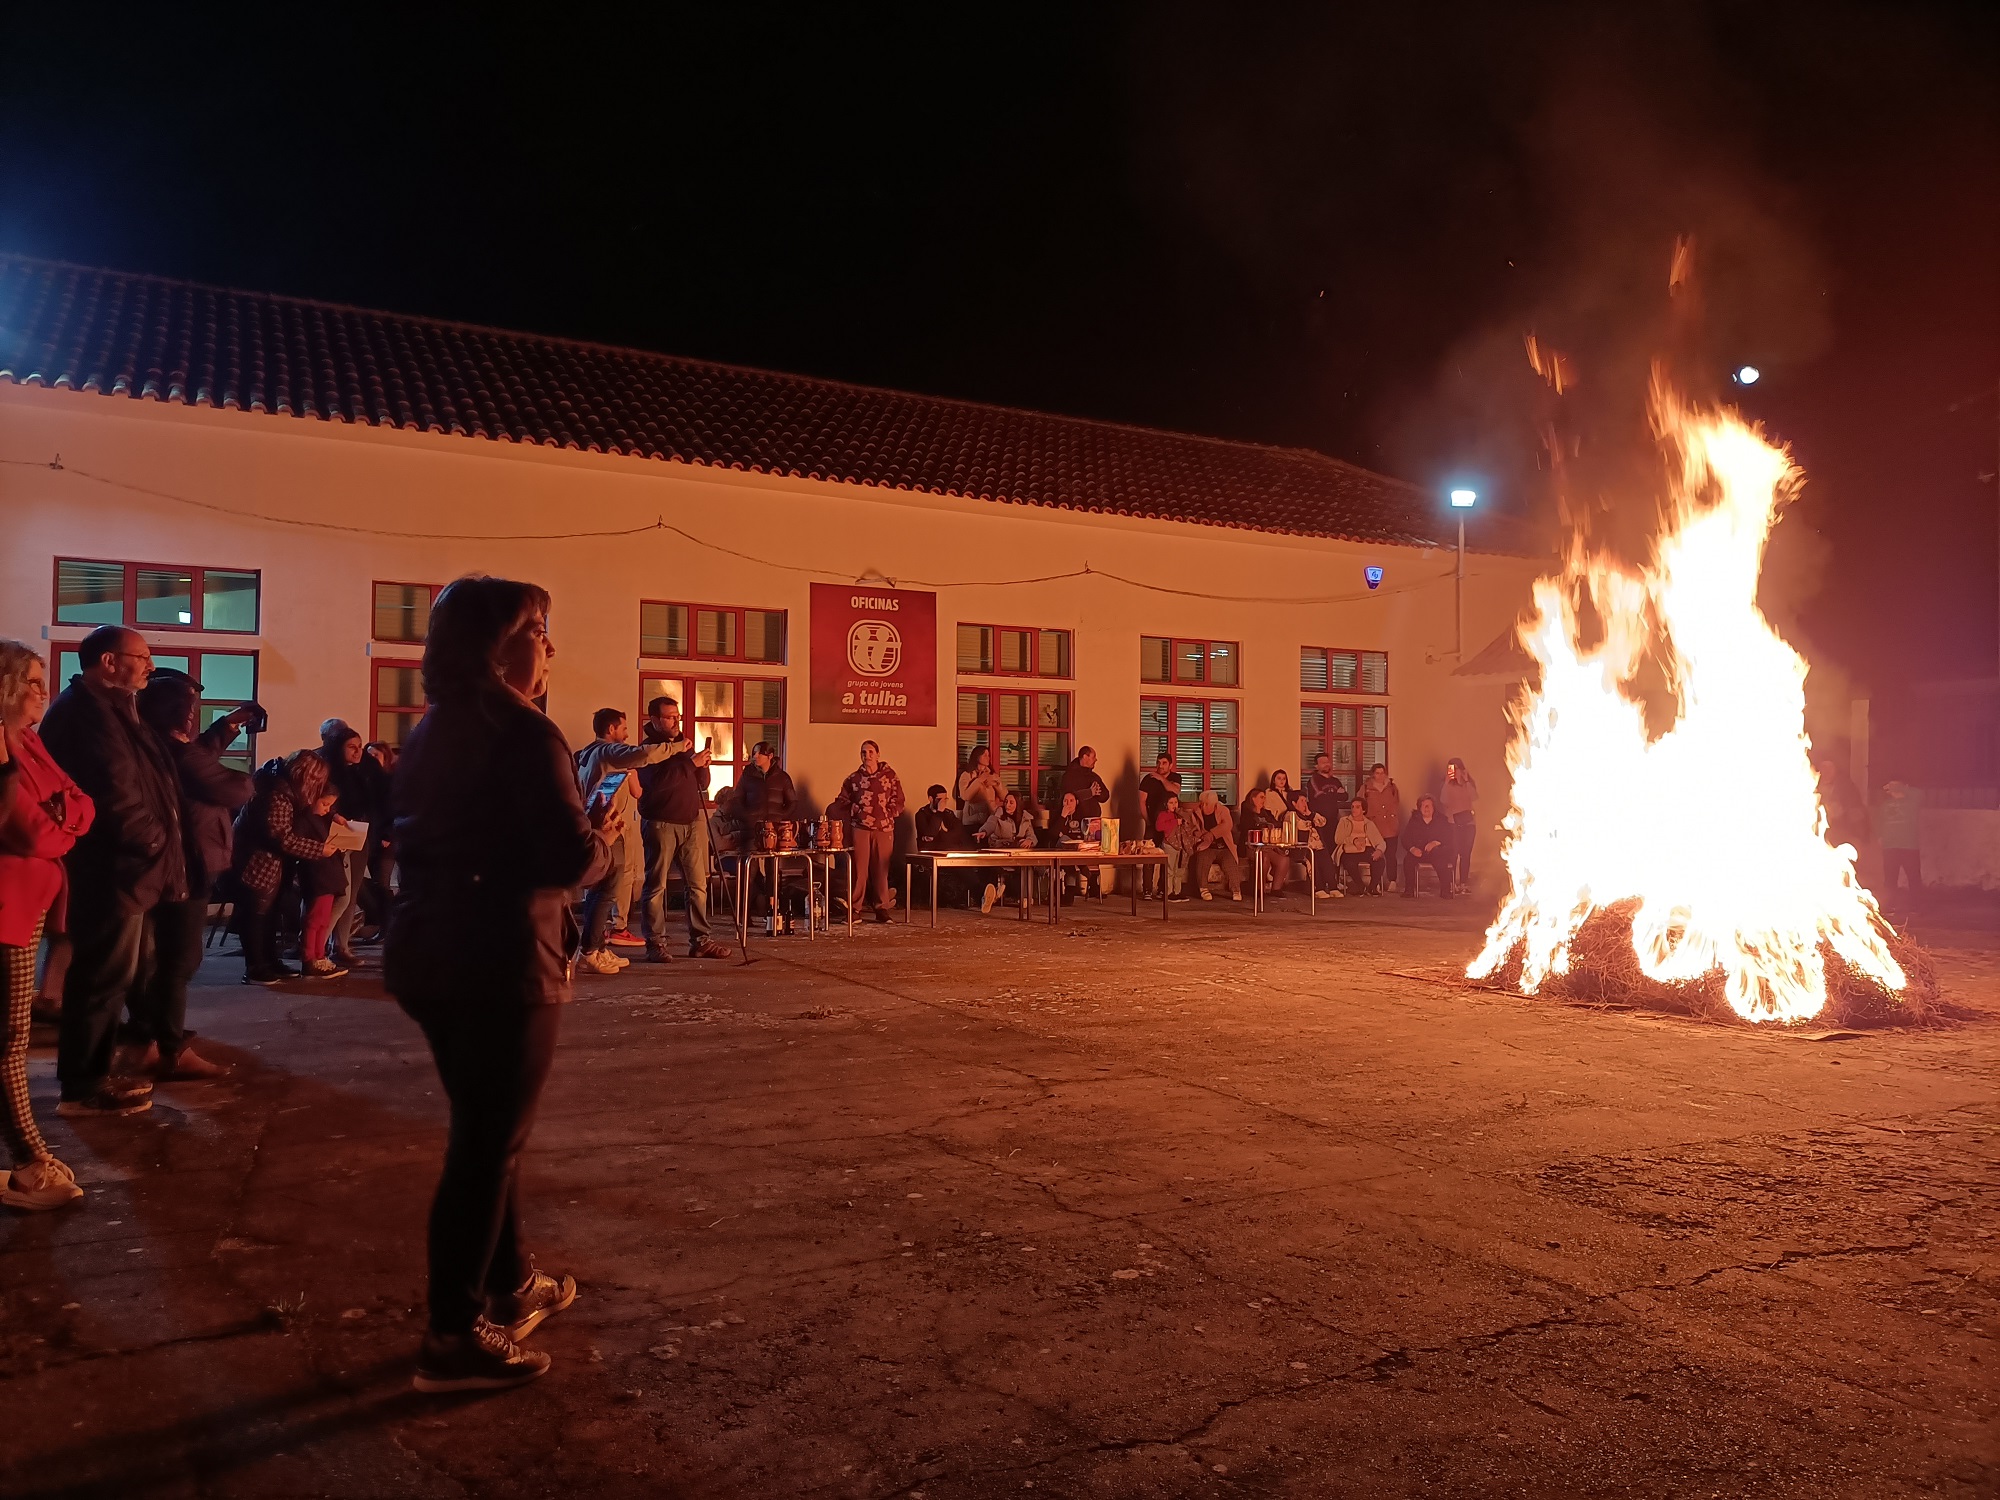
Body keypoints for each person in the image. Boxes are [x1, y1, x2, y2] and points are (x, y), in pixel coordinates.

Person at [385, 575, 616, 1393]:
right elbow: (565, 856)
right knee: (484, 1146)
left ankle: (511, 1282)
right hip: (500, 958)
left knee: (488, 1128)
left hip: (427, 952)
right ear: (502, 643)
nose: (550, 647)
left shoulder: (433, 729)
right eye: (540, 630)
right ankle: (450, 1337)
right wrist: (602, 843)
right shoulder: (525, 731)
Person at [37, 625, 184, 1119]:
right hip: (113, 869)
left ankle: (95, 1074)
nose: (148, 665)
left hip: (127, 867)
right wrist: (155, 841)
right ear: (108, 662)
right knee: (102, 976)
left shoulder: (115, 709)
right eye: (140, 657)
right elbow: (116, 793)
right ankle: (81, 1088)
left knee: (121, 972)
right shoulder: (86, 715)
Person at [0, 641, 95, 1208]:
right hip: (7, 907)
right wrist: (65, 828)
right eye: (32, 682)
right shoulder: (5, 748)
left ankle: (29, 1155)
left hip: (29, 901)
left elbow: (82, 802)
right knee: (10, 1040)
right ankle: (30, 1160)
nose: (43, 692)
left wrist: (67, 819)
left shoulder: (31, 742)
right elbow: (32, 832)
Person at [128, 671, 253, 1076]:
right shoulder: (177, 753)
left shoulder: (159, 746)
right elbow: (233, 788)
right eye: (191, 710)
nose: (194, 717)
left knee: (157, 959)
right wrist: (248, 778)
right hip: (189, 862)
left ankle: (145, 1040)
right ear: (179, 715)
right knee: (179, 959)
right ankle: (170, 1049)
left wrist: (229, 725)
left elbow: (201, 755)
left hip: (176, 860)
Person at [573, 707, 675, 974]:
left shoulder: (588, 754)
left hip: (600, 827)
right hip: (607, 830)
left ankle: (595, 947)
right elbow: (643, 754)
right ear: (610, 730)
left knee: (603, 890)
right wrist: (674, 747)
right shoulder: (607, 751)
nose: (628, 734)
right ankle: (591, 951)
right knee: (607, 890)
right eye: (624, 728)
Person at [634, 697, 733, 961]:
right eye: (669, 717)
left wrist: (703, 767)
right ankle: (655, 944)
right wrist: (691, 764)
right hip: (661, 823)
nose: (675, 721)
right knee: (656, 886)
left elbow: (700, 783)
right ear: (654, 720)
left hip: (691, 821)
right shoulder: (648, 749)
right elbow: (657, 784)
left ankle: (701, 941)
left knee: (698, 885)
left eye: (677, 715)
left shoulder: (683, 744)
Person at [234, 751, 343, 981]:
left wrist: (331, 813)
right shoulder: (277, 795)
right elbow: (280, 837)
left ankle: (270, 961)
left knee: (270, 913)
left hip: (271, 864)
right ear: (306, 776)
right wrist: (318, 850)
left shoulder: (288, 790)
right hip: (258, 863)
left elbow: (307, 808)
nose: (319, 785)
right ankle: (256, 966)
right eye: (317, 779)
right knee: (257, 914)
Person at [318, 718, 391, 963]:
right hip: (333, 832)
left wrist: (385, 830)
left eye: (360, 745)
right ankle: (315, 946)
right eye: (352, 746)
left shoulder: (367, 767)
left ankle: (340, 945)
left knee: (352, 891)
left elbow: (384, 796)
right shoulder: (324, 767)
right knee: (336, 891)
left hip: (360, 830)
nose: (359, 751)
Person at [292, 762, 353, 979]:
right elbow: (300, 844)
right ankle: (310, 959)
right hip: (318, 876)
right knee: (315, 919)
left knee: (322, 919)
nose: (328, 809)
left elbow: (327, 817)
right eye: (325, 805)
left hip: (327, 876)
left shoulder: (320, 816)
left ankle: (319, 956)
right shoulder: (304, 819)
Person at [840, 740, 905, 923]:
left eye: (870, 752)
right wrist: (857, 811)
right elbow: (842, 800)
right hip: (860, 828)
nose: (866, 755)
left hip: (884, 829)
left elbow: (899, 799)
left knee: (881, 870)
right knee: (859, 870)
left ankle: (881, 909)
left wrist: (889, 814)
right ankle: (855, 910)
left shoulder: (890, 776)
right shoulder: (853, 779)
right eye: (863, 752)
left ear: (877, 754)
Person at [977, 789, 1039, 912]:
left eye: (1011, 802)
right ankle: (991, 895)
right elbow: (990, 824)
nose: (1007, 805)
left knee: (1027, 866)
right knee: (994, 868)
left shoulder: (1025, 818)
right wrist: (983, 832)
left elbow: (1032, 836)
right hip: (999, 849)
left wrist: (1029, 841)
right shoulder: (998, 814)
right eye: (1006, 802)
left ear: (1018, 804)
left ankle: (1021, 895)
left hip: (1017, 852)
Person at [915, 783, 974, 908]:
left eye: (945, 799)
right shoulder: (921, 815)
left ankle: (983, 894)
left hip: (951, 852)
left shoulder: (949, 814)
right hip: (932, 854)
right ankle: (982, 895)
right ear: (931, 799)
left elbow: (958, 833)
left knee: (968, 867)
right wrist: (939, 815)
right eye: (940, 800)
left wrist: (942, 834)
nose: (943, 803)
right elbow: (929, 834)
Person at [1184, 787, 1242, 902]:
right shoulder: (1196, 812)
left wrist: (1211, 835)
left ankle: (1236, 890)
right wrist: (1202, 837)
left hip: (1223, 845)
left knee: (1230, 863)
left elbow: (1227, 825)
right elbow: (1192, 829)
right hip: (1206, 845)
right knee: (1202, 859)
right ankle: (1203, 889)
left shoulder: (1223, 810)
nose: (1203, 806)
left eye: (1206, 803)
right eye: (1202, 803)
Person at [1875, 779, 1923, 906]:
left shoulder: (1912, 802)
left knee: (1914, 879)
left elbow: (1918, 793)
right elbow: (1880, 821)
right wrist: (1880, 836)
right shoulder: (1886, 804)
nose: (1892, 788)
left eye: (1895, 785)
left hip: (1909, 846)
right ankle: (1889, 907)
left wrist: (1900, 788)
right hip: (1890, 846)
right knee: (1890, 880)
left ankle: (1916, 907)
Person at [1138, 753, 1177, 895]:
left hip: (1169, 825)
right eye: (1158, 762)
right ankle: (1147, 890)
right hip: (1151, 822)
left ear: (1170, 765)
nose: (1160, 766)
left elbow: (1175, 790)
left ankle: (1163, 889)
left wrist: (1161, 778)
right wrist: (1147, 820)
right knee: (1148, 855)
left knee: (1166, 855)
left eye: (1164, 763)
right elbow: (1141, 800)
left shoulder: (1175, 778)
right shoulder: (1148, 779)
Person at [1400, 796, 1453, 898]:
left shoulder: (1442, 820)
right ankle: (1409, 890)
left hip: (1436, 852)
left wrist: (1436, 843)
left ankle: (1446, 890)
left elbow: (1449, 837)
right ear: (1419, 808)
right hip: (1419, 852)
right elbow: (1405, 838)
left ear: (1434, 808)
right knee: (1408, 860)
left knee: (1442, 861)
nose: (1426, 808)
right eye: (1423, 806)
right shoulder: (1414, 821)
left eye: (1429, 806)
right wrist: (1412, 849)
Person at [1361, 763, 1402, 891]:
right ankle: (1376, 881)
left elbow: (1397, 802)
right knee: (1376, 855)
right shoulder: (1366, 788)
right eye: (1377, 773)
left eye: (1382, 773)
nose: (1380, 776)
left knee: (1391, 854)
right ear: (1373, 774)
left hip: (1390, 827)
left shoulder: (1392, 787)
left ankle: (1392, 880)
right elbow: (1360, 802)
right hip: (1374, 827)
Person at [1440, 757, 1478, 894]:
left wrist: (1466, 780)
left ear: (1462, 769)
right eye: (1452, 768)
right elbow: (1443, 800)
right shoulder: (1448, 785)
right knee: (1453, 853)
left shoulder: (1468, 783)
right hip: (1453, 823)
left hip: (1468, 823)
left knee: (1466, 854)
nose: (1455, 771)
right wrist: (1446, 782)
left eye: (1457, 768)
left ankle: (1463, 883)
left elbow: (1474, 797)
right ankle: (1452, 883)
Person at [1334, 798, 1387, 894]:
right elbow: (1338, 839)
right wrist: (1353, 840)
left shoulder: (1369, 824)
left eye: (1357, 807)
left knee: (1379, 861)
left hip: (1366, 848)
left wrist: (1379, 850)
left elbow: (1380, 841)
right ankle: (1360, 885)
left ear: (1363, 810)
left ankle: (1373, 887)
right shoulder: (1344, 821)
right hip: (1349, 850)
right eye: (1352, 807)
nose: (1354, 809)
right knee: (1349, 863)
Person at [955, 746, 1005, 832]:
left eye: (988, 755)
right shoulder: (967, 775)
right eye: (984, 755)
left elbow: (1004, 796)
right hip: (973, 818)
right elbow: (965, 796)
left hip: (989, 817)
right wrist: (978, 781)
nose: (988, 757)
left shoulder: (992, 775)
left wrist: (996, 784)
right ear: (977, 756)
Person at [1156, 771, 1187, 897]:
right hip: (1169, 844)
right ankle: (1168, 891)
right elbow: (1159, 827)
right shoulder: (1163, 815)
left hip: (1180, 844)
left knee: (1178, 870)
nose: (1174, 805)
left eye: (1175, 802)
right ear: (1166, 804)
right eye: (1171, 803)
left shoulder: (1179, 813)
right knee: (1169, 870)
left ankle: (1177, 890)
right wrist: (1175, 822)